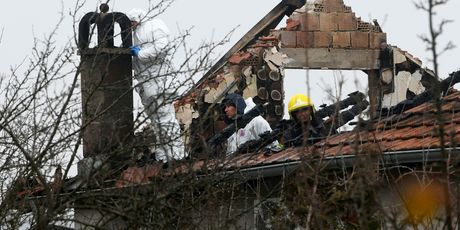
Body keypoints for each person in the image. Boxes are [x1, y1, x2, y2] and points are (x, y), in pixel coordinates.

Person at [127, 8, 185, 162]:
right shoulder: (135, 33)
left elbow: (162, 48)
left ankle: (175, 156)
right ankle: (163, 156)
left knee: (166, 119)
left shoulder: (155, 25)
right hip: (146, 84)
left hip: (159, 81)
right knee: (156, 122)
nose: (131, 25)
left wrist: (140, 53)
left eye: (133, 21)